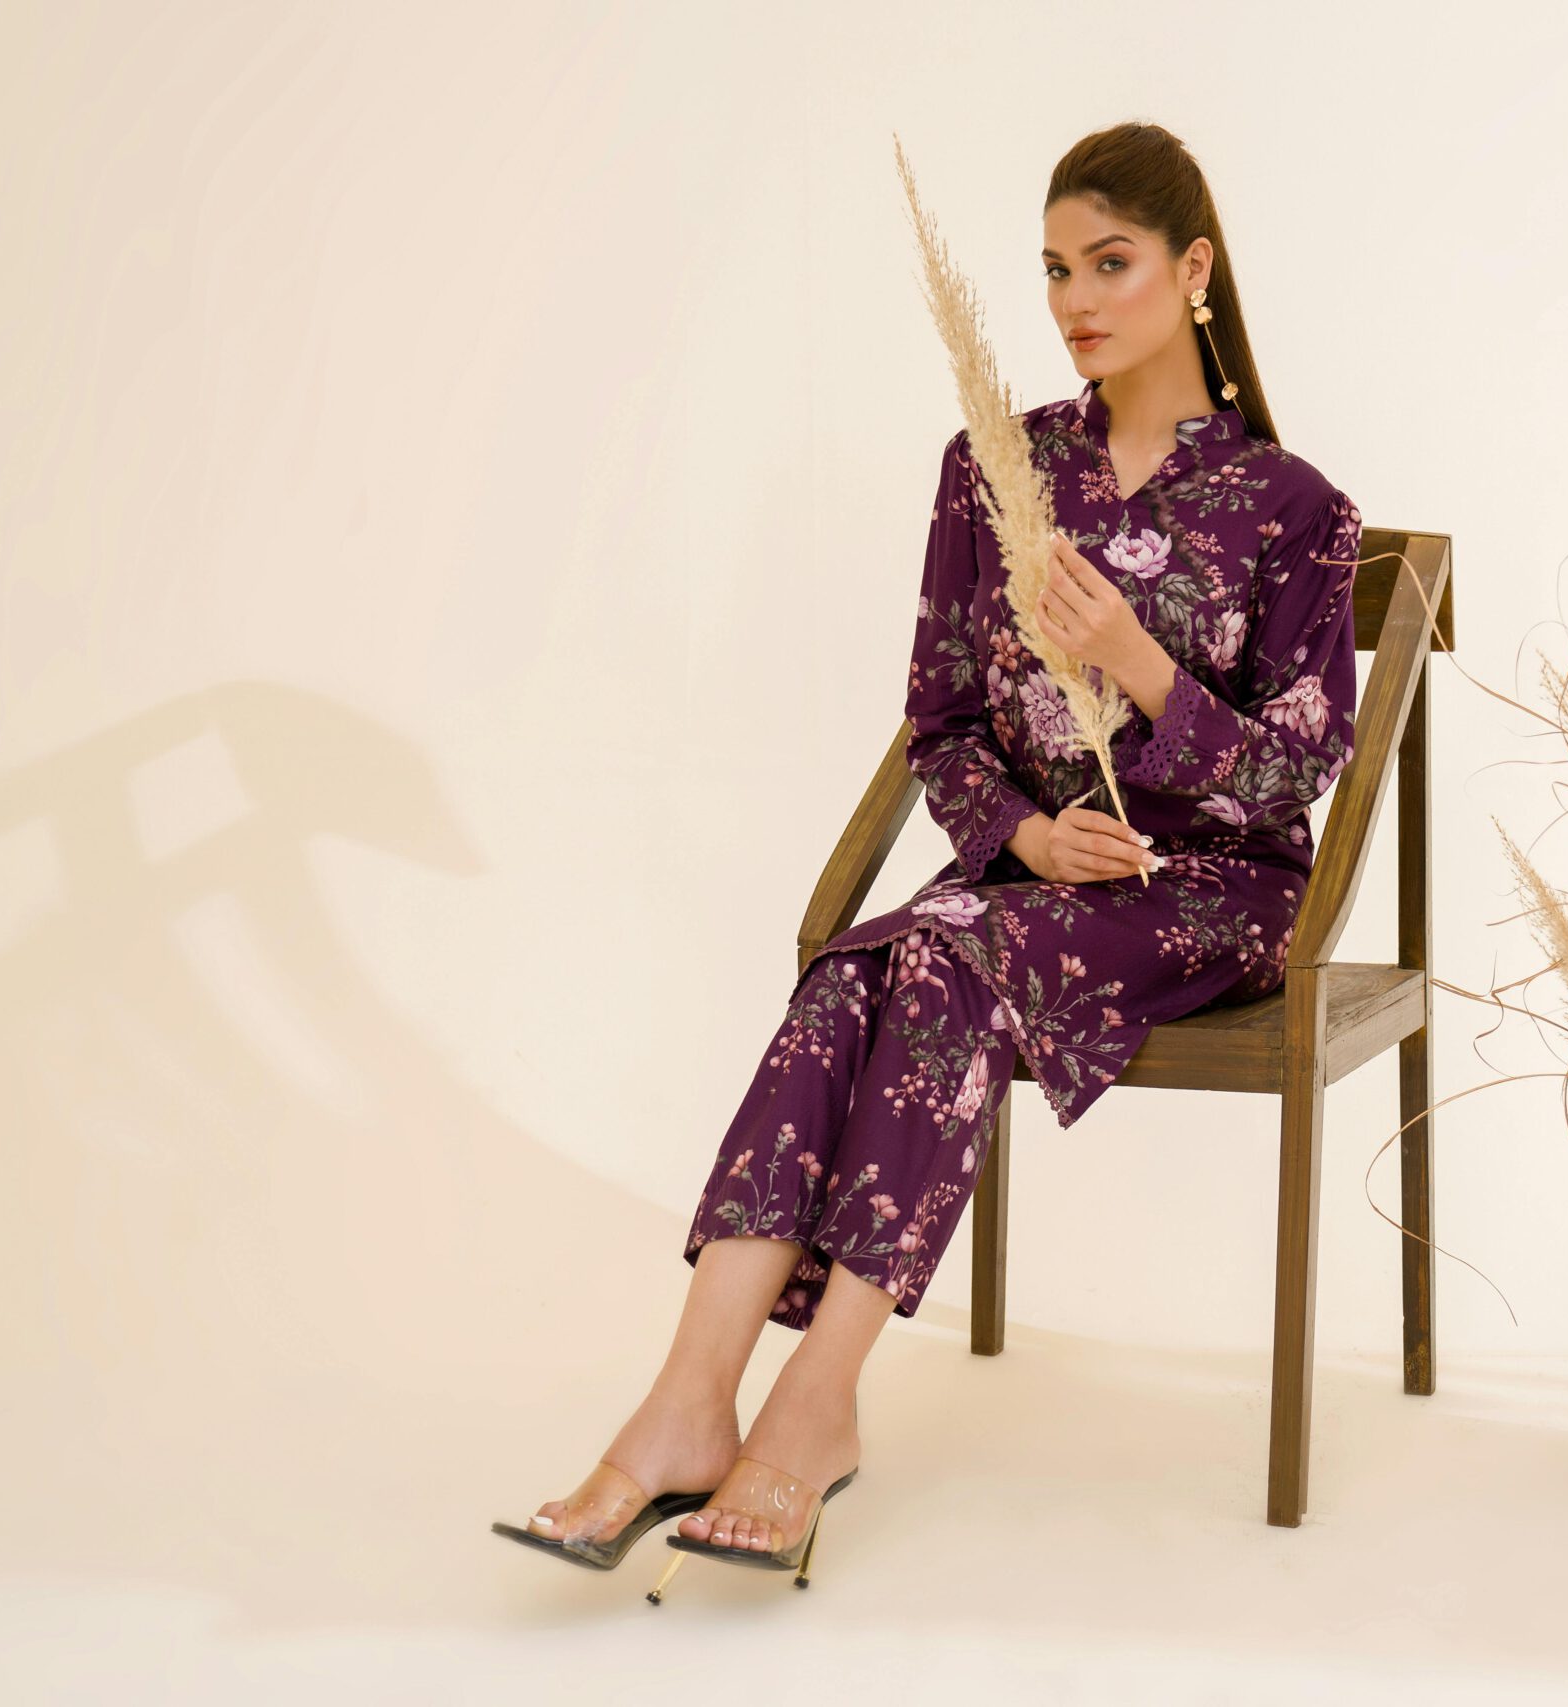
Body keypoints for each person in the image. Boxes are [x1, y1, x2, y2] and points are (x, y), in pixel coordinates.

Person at [493, 120, 1364, 1590]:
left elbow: (1298, 769)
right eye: (1053, 271)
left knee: (946, 952)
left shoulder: (1296, 510)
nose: (1075, 300)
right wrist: (1024, 833)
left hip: (1212, 897)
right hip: (1031, 880)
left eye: (1110, 263)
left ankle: (816, 1403)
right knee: (857, 974)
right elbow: (942, 724)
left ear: (1194, 269)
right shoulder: (995, 470)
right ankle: (688, 1404)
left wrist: (1137, 661)